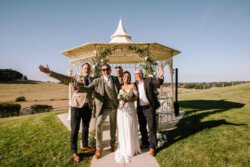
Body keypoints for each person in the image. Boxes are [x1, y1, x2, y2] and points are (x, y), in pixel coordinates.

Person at [39, 63, 95, 162]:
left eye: (88, 68)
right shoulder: (76, 77)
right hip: (76, 106)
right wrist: (49, 72)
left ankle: (85, 145)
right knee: (75, 129)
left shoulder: (92, 80)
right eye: (85, 68)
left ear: (90, 70)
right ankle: (74, 152)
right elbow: (63, 78)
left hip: (88, 107)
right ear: (82, 70)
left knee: (86, 127)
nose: (86, 70)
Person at [76, 64, 120, 159]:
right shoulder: (97, 81)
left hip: (114, 107)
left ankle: (112, 143)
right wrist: (79, 88)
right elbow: (88, 88)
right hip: (103, 108)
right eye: (103, 70)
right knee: (98, 125)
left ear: (110, 70)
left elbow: (119, 90)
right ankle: (99, 148)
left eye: (107, 69)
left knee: (113, 125)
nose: (105, 71)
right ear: (101, 71)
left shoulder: (115, 79)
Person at [134, 67, 164, 157]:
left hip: (149, 108)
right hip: (140, 109)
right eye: (136, 74)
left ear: (142, 74)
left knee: (151, 127)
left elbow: (158, 83)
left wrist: (161, 76)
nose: (138, 75)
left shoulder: (148, 80)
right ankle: (145, 142)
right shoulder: (134, 84)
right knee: (142, 127)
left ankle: (152, 147)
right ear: (135, 76)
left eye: (139, 73)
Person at [114, 71, 141, 164]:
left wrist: (128, 98)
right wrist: (122, 99)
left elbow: (135, 98)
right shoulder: (119, 86)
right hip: (121, 110)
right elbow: (116, 96)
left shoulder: (132, 85)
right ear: (122, 77)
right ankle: (123, 146)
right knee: (122, 128)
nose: (126, 78)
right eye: (125, 76)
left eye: (128, 76)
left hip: (130, 109)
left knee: (130, 127)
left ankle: (131, 148)